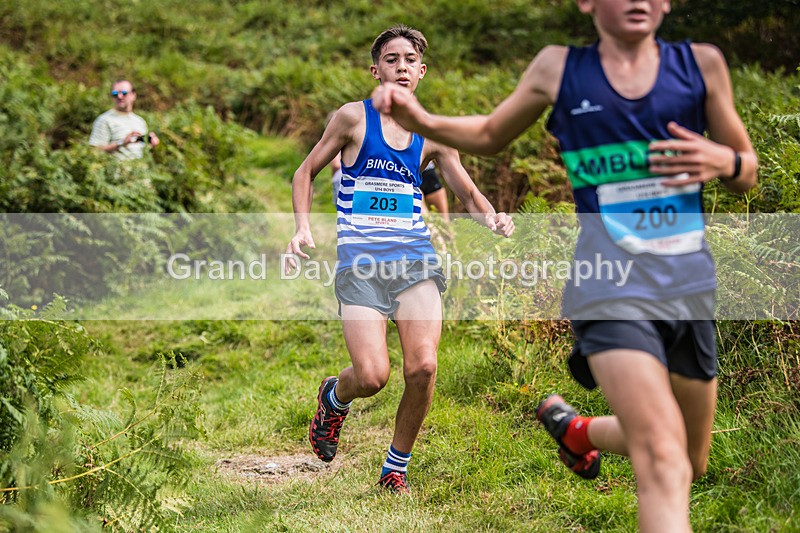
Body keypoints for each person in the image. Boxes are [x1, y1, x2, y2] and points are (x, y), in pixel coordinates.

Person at [372, 1, 756, 529]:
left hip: (689, 284)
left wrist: (725, 161)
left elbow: (746, 169)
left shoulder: (702, 64)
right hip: (608, 284)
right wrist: (421, 120)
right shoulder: (560, 68)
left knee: (690, 456)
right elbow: (489, 134)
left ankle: (579, 432)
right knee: (663, 459)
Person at [285, 24, 514, 494]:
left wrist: (491, 217)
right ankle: (334, 396)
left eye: (410, 60)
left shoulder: (433, 135)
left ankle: (395, 468)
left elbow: (467, 192)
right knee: (372, 376)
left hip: (415, 261)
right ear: (376, 70)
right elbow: (304, 172)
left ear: (422, 72)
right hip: (360, 265)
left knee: (423, 366)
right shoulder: (352, 118)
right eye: (391, 59)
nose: (401, 66)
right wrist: (302, 227)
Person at [89, 80, 160, 160]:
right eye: (115, 94)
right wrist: (122, 143)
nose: (119, 96)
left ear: (133, 95)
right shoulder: (104, 120)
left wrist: (152, 145)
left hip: (138, 170)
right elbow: (94, 151)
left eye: (124, 93)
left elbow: (144, 154)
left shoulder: (140, 121)